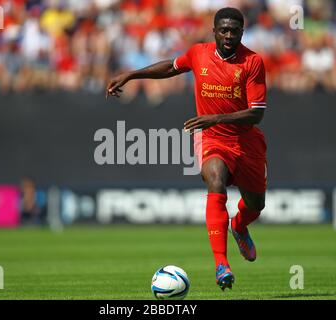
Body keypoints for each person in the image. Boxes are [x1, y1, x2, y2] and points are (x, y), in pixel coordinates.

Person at [106, 7, 267, 291]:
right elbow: (171, 66)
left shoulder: (253, 62)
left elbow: (257, 114)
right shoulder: (198, 53)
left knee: (255, 205)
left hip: (246, 142)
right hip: (212, 138)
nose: (229, 36)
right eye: (224, 30)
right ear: (214, 31)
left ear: (242, 32)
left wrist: (216, 116)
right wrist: (132, 74)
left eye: (235, 31)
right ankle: (221, 264)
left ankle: (239, 226)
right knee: (214, 178)